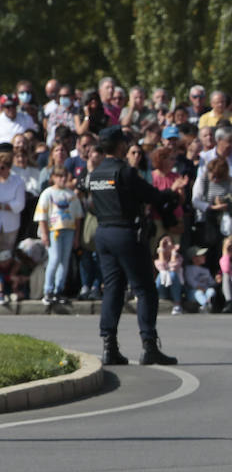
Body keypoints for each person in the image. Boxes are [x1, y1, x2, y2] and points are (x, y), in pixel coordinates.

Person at [86, 127, 177, 365]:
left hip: (104, 232)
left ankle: (109, 345)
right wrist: (172, 194)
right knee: (145, 289)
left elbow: (90, 205)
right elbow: (152, 195)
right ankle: (149, 345)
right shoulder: (124, 172)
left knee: (113, 289)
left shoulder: (95, 174)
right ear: (119, 146)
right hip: (126, 232)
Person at [35, 166, 82, 304]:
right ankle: (48, 290)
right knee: (54, 259)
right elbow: (42, 216)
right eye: (59, 176)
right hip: (53, 230)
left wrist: (77, 236)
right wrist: (44, 233)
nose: (62, 179)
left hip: (69, 229)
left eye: (64, 176)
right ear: (53, 177)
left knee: (64, 260)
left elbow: (78, 217)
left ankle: (59, 289)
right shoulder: (48, 193)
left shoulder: (71, 195)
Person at [153, 234, 185, 315]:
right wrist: (161, 250)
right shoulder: (156, 259)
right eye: (165, 243)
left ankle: (177, 305)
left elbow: (173, 268)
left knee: (172, 274)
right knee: (162, 274)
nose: (167, 245)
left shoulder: (179, 257)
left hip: (175, 289)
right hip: (162, 289)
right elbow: (162, 267)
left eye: (169, 242)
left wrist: (174, 254)